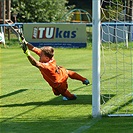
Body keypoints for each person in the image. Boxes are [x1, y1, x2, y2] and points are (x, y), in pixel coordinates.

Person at [20, 35, 90, 101]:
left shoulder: (47, 66)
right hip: (61, 73)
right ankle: (84, 79)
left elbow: (35, 63)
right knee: (67, 72)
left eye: (41, 55)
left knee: (61, 93)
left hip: (59, 83)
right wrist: (25, 42)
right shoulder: (50, 58)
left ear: (46, 58)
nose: (39, 55)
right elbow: (33, 48)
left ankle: (71, 96)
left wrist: (27, 53)